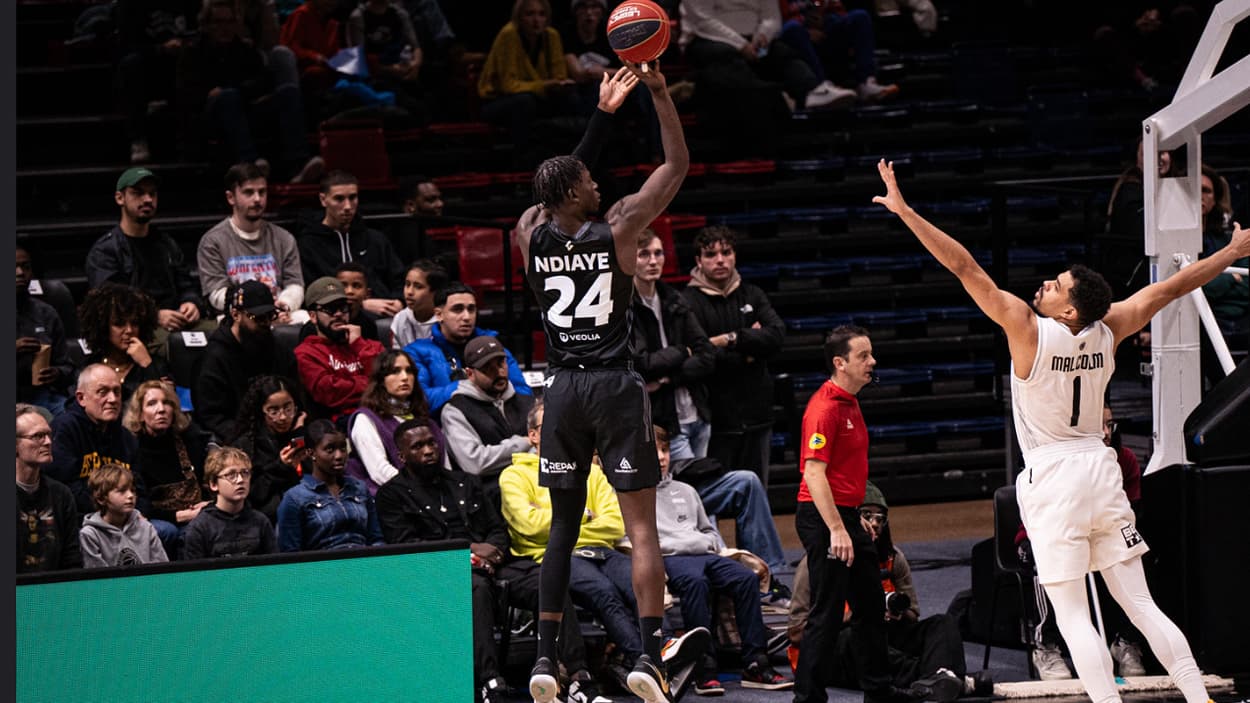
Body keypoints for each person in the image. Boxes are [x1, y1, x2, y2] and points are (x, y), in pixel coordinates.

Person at [874, 158, 1250, 703]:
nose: (1045, 283)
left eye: (1056, 285)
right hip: (1100, 471)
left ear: (1068, 309)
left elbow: (964, 267)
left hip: (1053, 477)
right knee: (1141, 606)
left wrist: (905, 211)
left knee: (1074, 617)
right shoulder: (1111, 325)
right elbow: (1172, 288)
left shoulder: (1026, 329)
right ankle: (1197, 698)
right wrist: (1232, 253)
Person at [513, 58, 688, 703]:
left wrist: (601, 119)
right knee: (641, 526)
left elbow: (545, 195)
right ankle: (649, 654)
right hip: (614, 383)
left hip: (559, 389)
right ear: (576, 195)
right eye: (587, 180)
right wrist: (660, 95)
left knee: (561, 527)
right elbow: (676, 168)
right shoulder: (618, 231)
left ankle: (542, 660)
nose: (596, 182)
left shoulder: (529, 235)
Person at [377, 419, 609, 703]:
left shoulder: (466, 482)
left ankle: (576, 677)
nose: (429, 450)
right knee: (477, 588)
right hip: (441, 571)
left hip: (496, 564)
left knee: (548, 581)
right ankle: (490, 680)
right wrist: (468, 553)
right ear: (401, 456)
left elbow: (497, 530)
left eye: (432, 443)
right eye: (418, 446)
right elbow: (406, 546)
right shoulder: (392, 494)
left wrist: (491, 553)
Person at [791, 325, 910, 703]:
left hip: (844, 513)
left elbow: (841, 475)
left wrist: (851, 515)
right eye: (863, 356)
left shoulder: (850, 401)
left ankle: (878, 690)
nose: (872, 362)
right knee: (826, 612)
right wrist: (837, 529)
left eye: (871, 354)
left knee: (871, 605)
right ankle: (807, 698)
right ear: (840, 363)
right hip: (822, 517)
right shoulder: (824, 408)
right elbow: (813, 473)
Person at [498, 403, 645, 691]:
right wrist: (585, 517)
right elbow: (529, 525)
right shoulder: (514, 476)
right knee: (604, 593)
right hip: (559, 555)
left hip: (603, 551)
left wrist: (564, 522)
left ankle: (653, 653)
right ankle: (644, 661)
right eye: (549, 427)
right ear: (533, 436)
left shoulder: (590, 472)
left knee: (640, 584)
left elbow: (615, 523)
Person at [788, 482, 972, 701]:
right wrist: (848, 616)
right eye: (867, 515)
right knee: (855, 637)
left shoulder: (894, 558)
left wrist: (894, 614)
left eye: (880, 518)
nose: (874, 524)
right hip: (837, 650)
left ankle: (942, 677)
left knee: (942, 623)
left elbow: (913, 614)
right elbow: (796, 633)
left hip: (883, 633)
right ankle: (938, 677)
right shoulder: (813, 563)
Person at [652, 425, 794, 694]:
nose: (661, 457)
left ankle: (756, 662)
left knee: (744, 578)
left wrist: (707, 544)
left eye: (665, 450)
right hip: (671, 557)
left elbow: (707, 530)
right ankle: (702, 667)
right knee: (696, 583)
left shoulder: (686, 490)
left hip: (704, 553)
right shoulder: (635, 494)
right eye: (654, 451)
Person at [1017, 404, 1147, 680]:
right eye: (1098, 424)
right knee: (1042, 560)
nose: (1105, 432)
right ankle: (1046, 646)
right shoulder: (1059, 461)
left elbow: (1129, 514)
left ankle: (1125, 641)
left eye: (1109, 424)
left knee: (1135, 557)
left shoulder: (1123, 459)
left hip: (1103, 531)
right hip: (1054, 531)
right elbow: (1040, 515)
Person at [682, 226, 786, 487]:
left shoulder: (753, 294)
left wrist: (730, 339)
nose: (720, 260)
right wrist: (750, 352)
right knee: (711, 498)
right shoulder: (687, 301)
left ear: (734, 255)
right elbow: (699, 359)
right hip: (715, 422)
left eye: (726, 252)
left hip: (758, 416)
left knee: (756, 494)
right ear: (698, 261)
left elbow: (776, 337)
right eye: (710, 254)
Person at [177, 1, 324, 182]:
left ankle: (299, 163)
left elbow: (262, 82)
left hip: (246, 108)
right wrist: (212, 94)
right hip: (211, 115)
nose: (225, 28)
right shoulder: (193, 53)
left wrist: (239, 91)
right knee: (227, 97)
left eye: (229, 22)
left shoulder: (245, 51)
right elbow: (185, 94)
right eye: (218, 22)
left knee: (289, 91)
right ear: (206, 25)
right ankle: (251, 164)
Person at [86, 168, 209, 343]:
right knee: (178, 347)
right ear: (120, 198)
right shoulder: (106, 251)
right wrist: (153, 316)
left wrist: (191, 304)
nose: (148, 199)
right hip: (137, 329)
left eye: (152, 194)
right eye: (138, 193)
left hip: (176, 323)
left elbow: (187, 285)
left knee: (221, 337)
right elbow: (110, 304)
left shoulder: (167, 244)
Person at [680, 0, 856, 111]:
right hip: (708, 39)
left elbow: (772, 17)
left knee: (782, 52)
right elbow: (702, 20)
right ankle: (775, 99)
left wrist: (762, 36)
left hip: (754, 40)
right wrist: (740, 45)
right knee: (725, 58)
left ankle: (812, 90)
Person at [196, 163, 306, 320]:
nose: (257, 199)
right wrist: (257, 307)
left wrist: (285, 304)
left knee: (304, 318)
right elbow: (217, 295)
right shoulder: (213, 241)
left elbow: (295, 284)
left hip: (278, 313)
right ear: (230, 197)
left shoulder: (284, 238)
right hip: (236, 317)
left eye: (262, 192)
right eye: (249, 192)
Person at [477, 0, 579, 167]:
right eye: (529, 14)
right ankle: (523, 160)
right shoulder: (509, 34)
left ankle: (571, 156)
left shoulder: (551, 35)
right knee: (525, 102)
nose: (536, 20)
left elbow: (558, 75)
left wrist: (560, 85)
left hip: (536, 97)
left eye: (541, 14)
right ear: (519, 17)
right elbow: (508, 85)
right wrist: (545, 85)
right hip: (497, 101)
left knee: (571, 99)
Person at [402, 282, 531, 414]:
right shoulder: (417, 352)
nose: (466, 317)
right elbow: (419, 400)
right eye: (457, 309)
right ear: (439, 314)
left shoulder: (492, 346)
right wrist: (465, 387)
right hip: (446, 427)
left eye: (471, 309)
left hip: (495, 422)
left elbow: (523, 393)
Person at [194, 280, 298, 443]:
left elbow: (297, 392)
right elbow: (211, 416)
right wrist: (254, 437)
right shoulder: (214, 358)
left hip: (282, 427)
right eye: (257, 318)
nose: (266, 324)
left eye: (270, 316)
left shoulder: (277, 348)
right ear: (236, 315)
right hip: (239, 438)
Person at [441, 336, 536, 503]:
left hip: (536, 489)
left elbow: (549, 447)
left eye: (500, 364)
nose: (498, 372)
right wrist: (524, 443)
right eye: (487, 368)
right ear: (470, 374)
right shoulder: (455, 411)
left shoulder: (527, 402)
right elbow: (475, 463)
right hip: (490, 499)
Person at [123, 380, 212, 556]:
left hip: (196, 515)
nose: (161, 409)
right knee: (167, 531)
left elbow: (208, 481)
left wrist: (209, 504)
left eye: (167, 403)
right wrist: (180, 516)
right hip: (156, 518)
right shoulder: (132, 448)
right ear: (140, 414)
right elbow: (139, 503)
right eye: (151, 404)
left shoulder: (190, 440)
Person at [298, 170, 406, 315]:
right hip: (333, 315)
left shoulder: (376, 239)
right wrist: (361, 304)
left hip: (385, 313)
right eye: (339, 199)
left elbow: (399, 279)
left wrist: (399, 301)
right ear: (323, 200)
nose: (348, 206)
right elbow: (313, 293)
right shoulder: (308, 244)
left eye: (353, 197)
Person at [47, 364, 147, 518]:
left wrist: (134, 514)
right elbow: (65, 489)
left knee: (164, 531)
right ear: (81, 398)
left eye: (117, 391)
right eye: (103, 392)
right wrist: (110, 514)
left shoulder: (127, 438)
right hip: (83, 520)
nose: (113, 399)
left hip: (125, 517)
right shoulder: (65, 429)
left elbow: (140, 489)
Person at [277, 419, 385, 551]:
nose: (339, 455)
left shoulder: (359, 488)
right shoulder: (295, 498)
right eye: (330, 449)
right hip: (322, 568)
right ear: (311, 453)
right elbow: (291, 554)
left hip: (364, 564)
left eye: (343, 448)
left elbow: (376, 538)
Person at [345, 349, 442, 495]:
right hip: (396, 498)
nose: (404, 377)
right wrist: (422, 493)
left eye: (409, 371)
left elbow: (443, 466)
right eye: (395, 371)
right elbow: (380, 471)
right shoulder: (365, 419)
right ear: (381, 380)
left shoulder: (426, 421)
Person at [114, 0, 200, 162]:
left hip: (184, 62)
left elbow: (199, 31)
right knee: (130, 65)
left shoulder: (189, 4)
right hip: (150, 65)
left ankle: (193, 141)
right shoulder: (132, 6)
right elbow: (127, 46)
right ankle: (138, 138)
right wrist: (161, 49)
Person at [294, 276, 387, 422]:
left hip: (381, 416)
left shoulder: (370, 346)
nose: (338, 314)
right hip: (337, 427)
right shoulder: (305, 353)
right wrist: (372, 384)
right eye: (330, 309)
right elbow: (329, 393)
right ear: (313, 316)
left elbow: (388, 381)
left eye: (343, 308)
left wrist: (359, 345)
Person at [777, 0, 901, 103]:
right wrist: (806, 28)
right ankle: (820, 88)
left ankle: (866, 82)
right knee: (792, 28)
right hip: (797, 42)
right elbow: (775, 19)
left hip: (826, 35)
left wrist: (825, 20)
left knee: (859, 16)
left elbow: (836, 9)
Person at [75, 283, 173, 407]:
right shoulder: (89, 368)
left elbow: (167, 408)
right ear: (104, 327)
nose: (129, 330)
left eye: (135, 323)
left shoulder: (156, 365)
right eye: (119, 324)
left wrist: (147, 365)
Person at [229, 375, 306, 523]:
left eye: (288, 408)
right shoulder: (246, 445)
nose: (283, 417)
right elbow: (250, 493)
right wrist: (280, 466)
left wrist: (299, 435)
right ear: (261, 411)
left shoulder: (301, 433)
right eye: (273, 411)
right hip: (268, 516)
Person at [16, 403, 83, 573]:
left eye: (48, 435)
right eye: (38, 436)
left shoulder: (61, 494)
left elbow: (72, 559)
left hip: (54, 592)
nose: (47, 442)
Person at [182, 446, 278, 560]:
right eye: (231, 475)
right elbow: (195, 575)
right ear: (213, 484)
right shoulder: (199, 528)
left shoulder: (261, 522)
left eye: (245, 473)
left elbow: (274, 568)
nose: (240, 480)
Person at [16, 247, 73, 417]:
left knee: (71, 414)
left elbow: (68, 367)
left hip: (40, 395)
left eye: (25, 267)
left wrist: (57, 373)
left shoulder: (46, 313)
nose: (20, 272)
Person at [79, 462, 169, 568]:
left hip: (147, 583)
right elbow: (98, 579)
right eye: (122, 491)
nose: (130, 495)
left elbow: (162, 568)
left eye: (132, 490)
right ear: (101, 499)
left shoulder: (145, 526)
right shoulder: (90, 534)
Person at [1198, 164, 1248, 354]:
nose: (1200, 195)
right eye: (1195, 189)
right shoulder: (1179, 244)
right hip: (1205, 319)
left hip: (1239, 316)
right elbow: (1199, 287)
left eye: (1206, 191)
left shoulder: (1227, 238)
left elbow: (1247, 284)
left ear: (1214, 199)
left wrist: (1217, 279)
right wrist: (1231, 277)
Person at [389, 259, 448, 349]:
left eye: (418, 287)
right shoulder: (400, 319)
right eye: (407, 284)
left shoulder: (447, 321)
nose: (409, 292)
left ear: (436, 293)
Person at [335, 262, 382, 342]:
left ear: (367, 294)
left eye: (356, 286)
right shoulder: (323, 322)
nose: (349, 291)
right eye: (343, 285)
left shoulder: (369, 325)